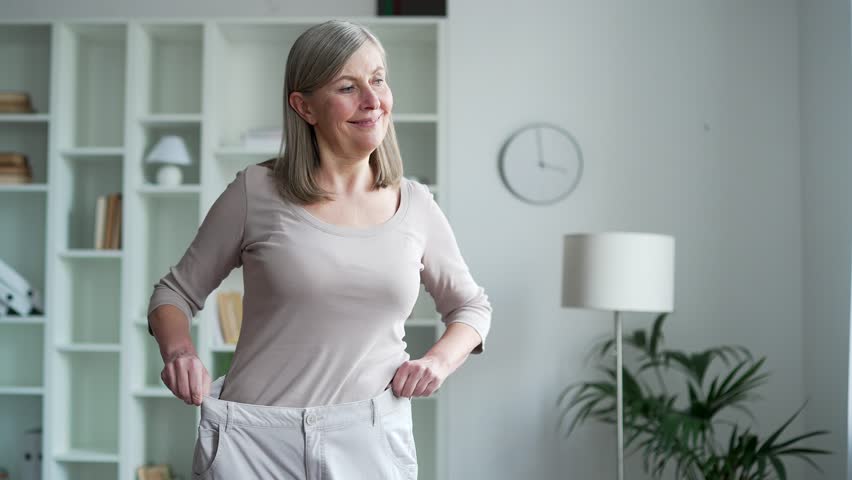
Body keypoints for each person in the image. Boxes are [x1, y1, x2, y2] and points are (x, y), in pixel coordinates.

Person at [146, 19, 492, 479]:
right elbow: (174, 294)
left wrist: (438, 362)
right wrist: (179, 352)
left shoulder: (417, 204)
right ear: (304, 106)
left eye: (378, 79)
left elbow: (471, 306)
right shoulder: (256, 191)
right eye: (348, 87)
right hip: (252, 440)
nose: (372, 101)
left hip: (369, 438)